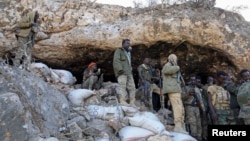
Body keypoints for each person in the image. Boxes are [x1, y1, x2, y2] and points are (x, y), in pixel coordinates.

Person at [161, 54, 188, 134]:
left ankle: (181, 126)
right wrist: (177, 67)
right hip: (172, 90)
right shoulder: (168, 65)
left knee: (181, 109)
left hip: (176, 89)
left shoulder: (173, 66)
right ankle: (178, 126)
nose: (175, 60)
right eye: (174, 58)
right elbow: (165, 71)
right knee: (177, 108)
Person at [113, 39, 137, 108]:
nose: (128, 44)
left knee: (132, 87)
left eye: (129, 43)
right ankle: (122, 101)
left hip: (129, 72)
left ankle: (132, 102)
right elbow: (116, 60)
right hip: (122, 72)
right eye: (127, 43)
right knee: (122, 86)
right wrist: (120, 69)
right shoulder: (119, 50)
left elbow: (129, 63)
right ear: (123, 44)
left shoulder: (128, 53)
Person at [182, 74, 203, 140]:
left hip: (197, 107)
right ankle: (194, 137)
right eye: (191, 80)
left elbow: (200, 99)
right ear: (189, 80)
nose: (193, 81)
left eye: (194, 80)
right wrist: (188, 94)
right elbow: (181, 98)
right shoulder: (185, 88)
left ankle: (199, 137)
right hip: (189, 107)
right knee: (192, 123)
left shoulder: (197, 88)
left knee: (199, 124)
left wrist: (202, 109)